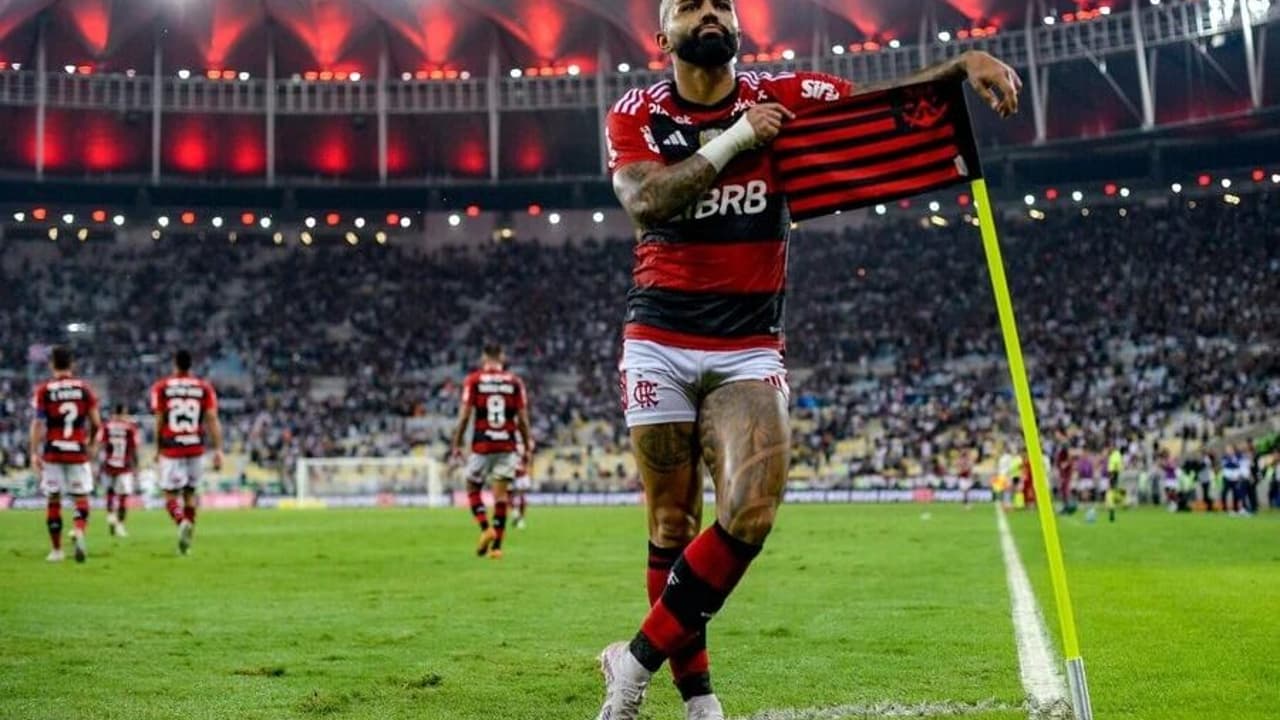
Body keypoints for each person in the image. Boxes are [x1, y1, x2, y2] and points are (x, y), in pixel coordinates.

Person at [596, 1, 1022, 718]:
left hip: (748, 345)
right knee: (671, 525)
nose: (708, 13)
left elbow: (881, 107)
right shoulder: (635, 111)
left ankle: (632, 660)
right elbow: (646, 199)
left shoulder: (786, 96)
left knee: (751, 511)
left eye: (720, 4)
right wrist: (734, 140)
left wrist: (961, 66)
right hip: (660, 340)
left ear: (737, 26)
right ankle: (698, 700)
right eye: (689, 5)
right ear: (661, 34)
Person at [449, 344, 533, 559]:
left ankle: (485, 527)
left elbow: (465, 416)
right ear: (502, 357)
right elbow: (522, 420)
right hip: (507, 444)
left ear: (483, 357)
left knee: (472, 486)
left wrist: (457, 444)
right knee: (501, 496)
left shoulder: (474, 380)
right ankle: (496, 548)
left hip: (482, 444)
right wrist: (527, 445)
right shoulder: (515, 382)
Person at [29, 346, 102, 563]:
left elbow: (38, 423)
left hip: (53, 452)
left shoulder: (44, 390)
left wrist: (34, 452)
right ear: (72, 364)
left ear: (51, 364)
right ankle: (79, 529)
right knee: (81, 498)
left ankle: (57, 550)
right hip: (77, 451)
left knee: (53, 499)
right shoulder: (84, 389)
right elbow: (97, 423)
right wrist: (90, 443)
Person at [149, 350, 222, 555]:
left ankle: (181, 522)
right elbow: (212, 418)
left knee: (170, 495)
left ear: (175, 364)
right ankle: (187, 544)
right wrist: (218, 449)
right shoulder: (203, 387)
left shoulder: (162, 387)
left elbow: (159, 419)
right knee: (190, 494)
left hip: (172, 447)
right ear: (191, 365)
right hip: (195, 446)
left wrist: (157, 448)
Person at [99, 404, 141, 537]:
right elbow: (134, 448)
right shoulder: (130, 428)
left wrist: (99, 463)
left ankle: (111, 514)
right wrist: (136, 465)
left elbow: (101, 443)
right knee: (123, 496)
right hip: (125, 465)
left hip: (108, 464)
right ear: (124, 412)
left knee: (110, 491)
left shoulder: (106, 426)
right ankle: (120, 525)